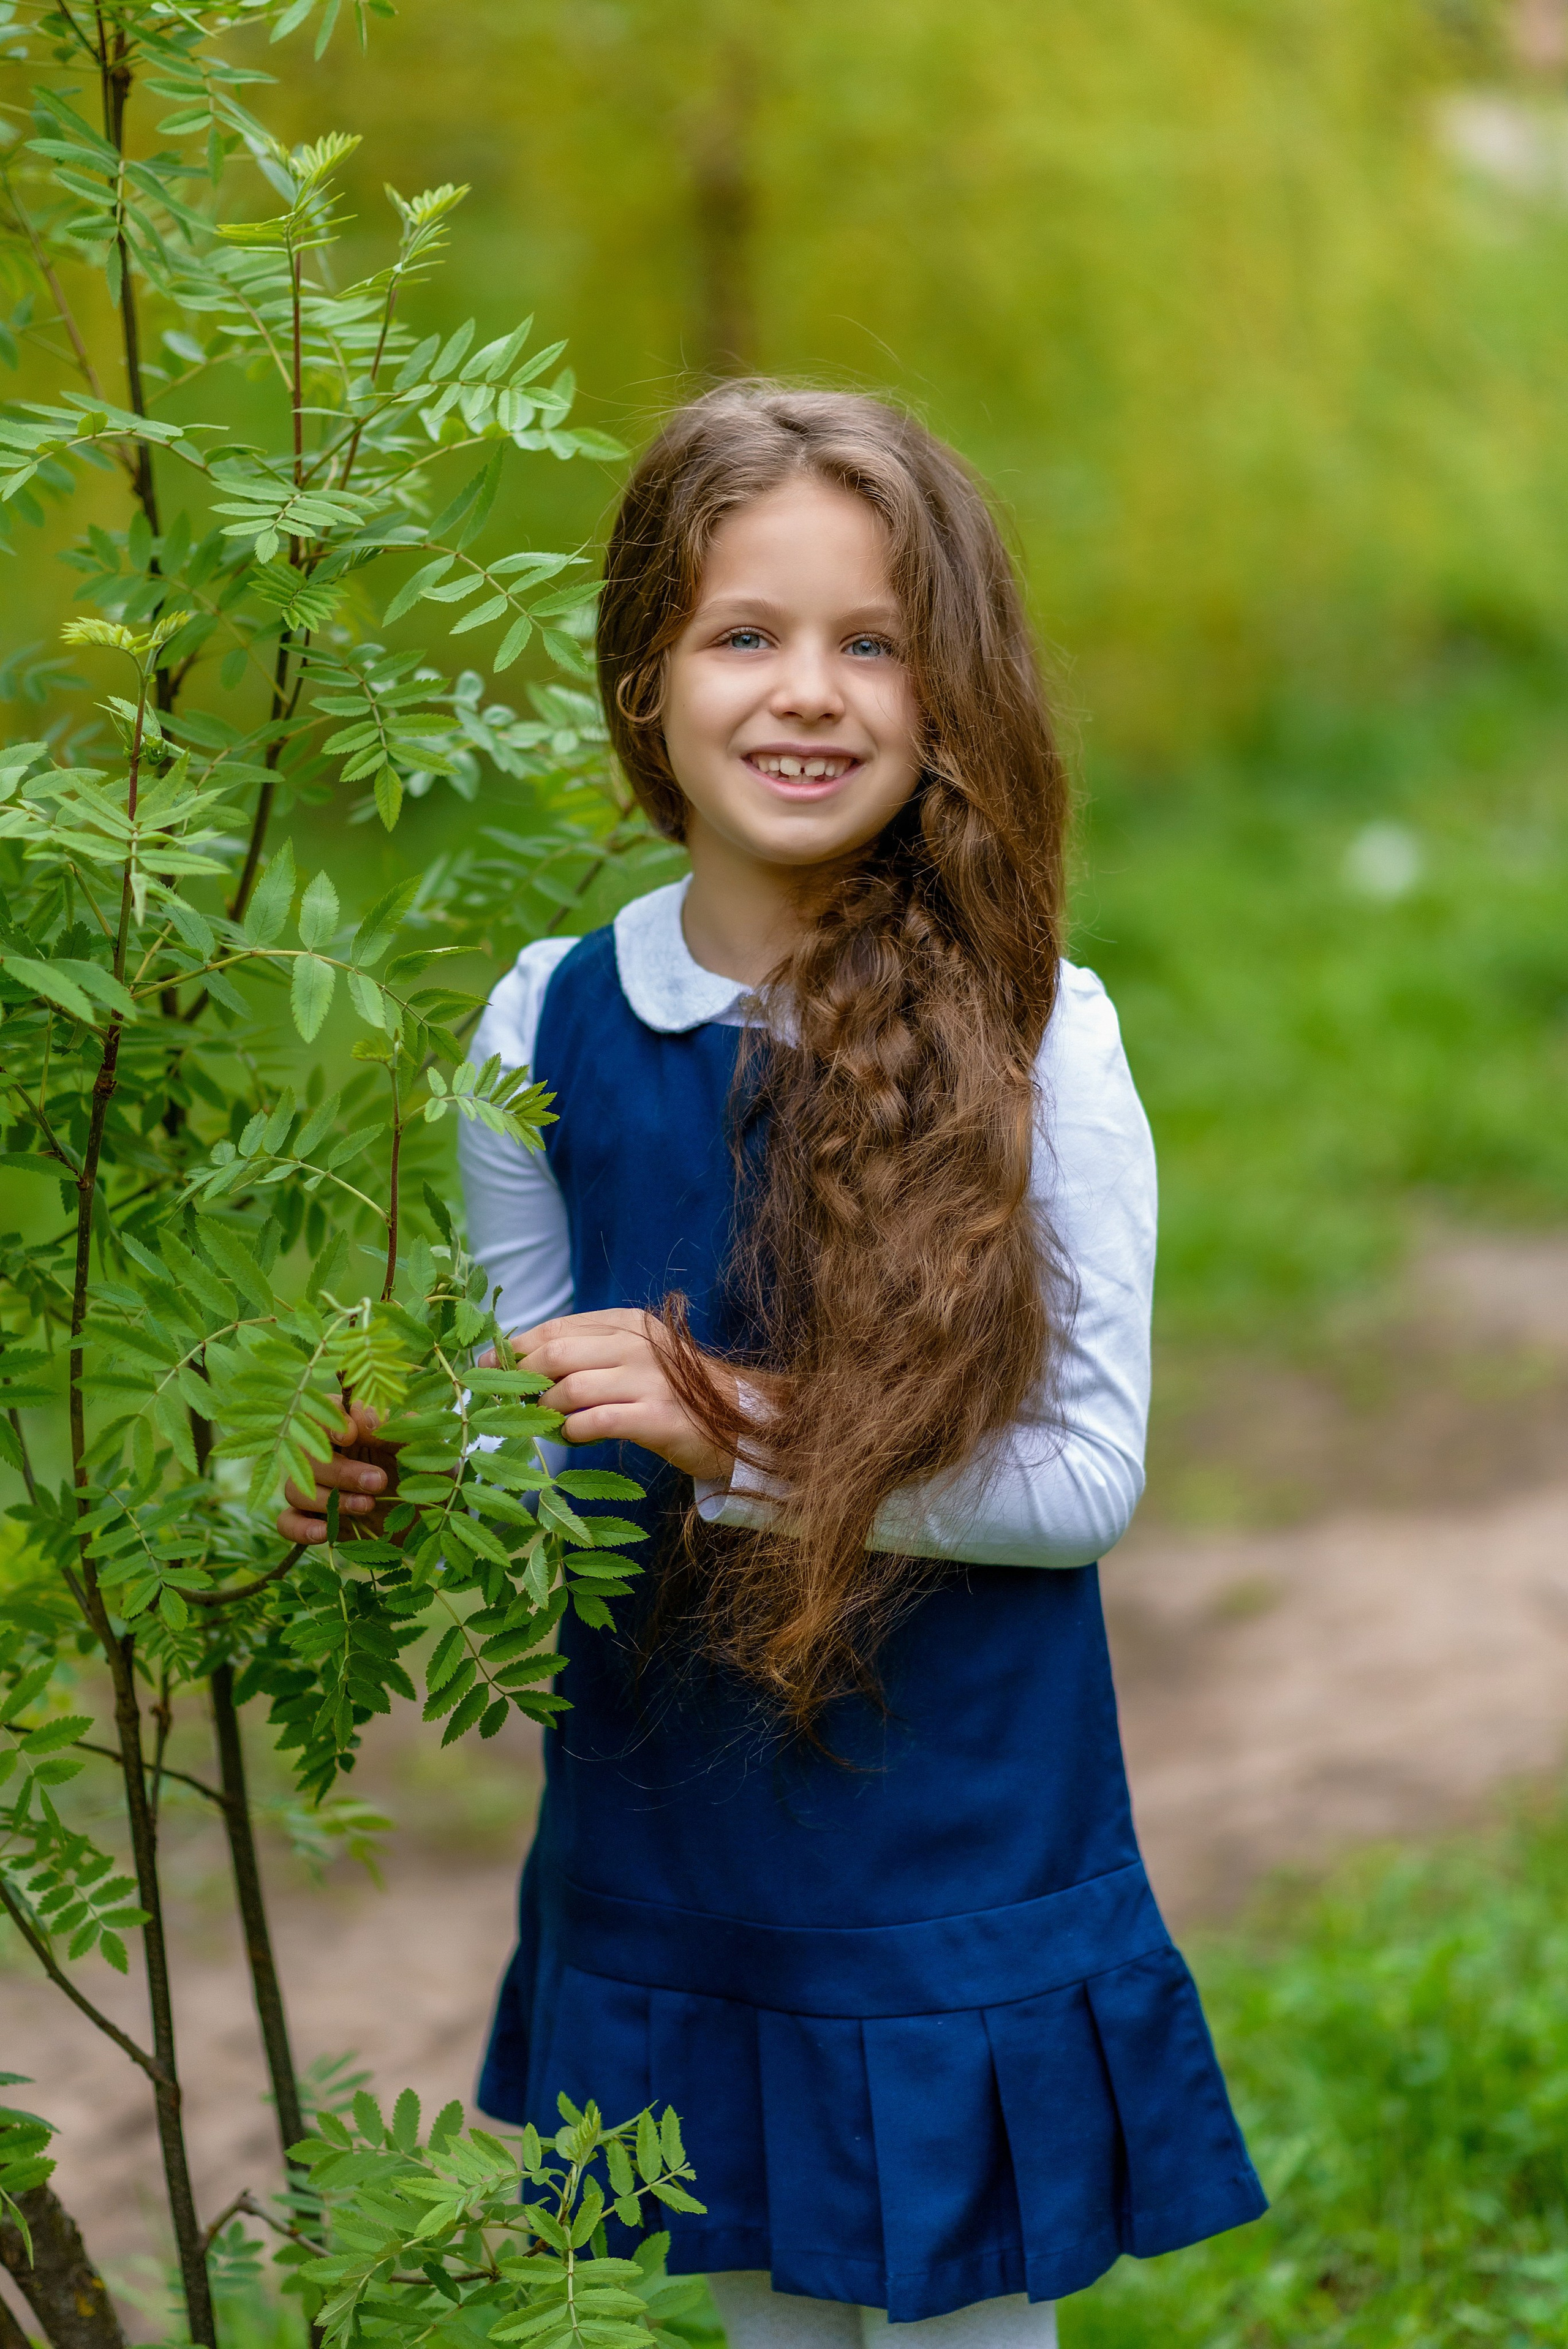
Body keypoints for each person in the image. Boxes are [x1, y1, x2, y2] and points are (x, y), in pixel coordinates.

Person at [279, 386, 1266, 2345]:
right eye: (746, 633)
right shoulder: (545, 1018)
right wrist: (412, 1466)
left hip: (949, 1839)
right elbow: (537, 1390)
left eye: (870, 641)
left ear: (946, 685)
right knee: (753, 2323)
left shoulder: (1038, 1026)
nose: (806, 692)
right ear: (646, 676)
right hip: (675, 1822)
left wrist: (731, 1422)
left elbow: (1083, 1480)